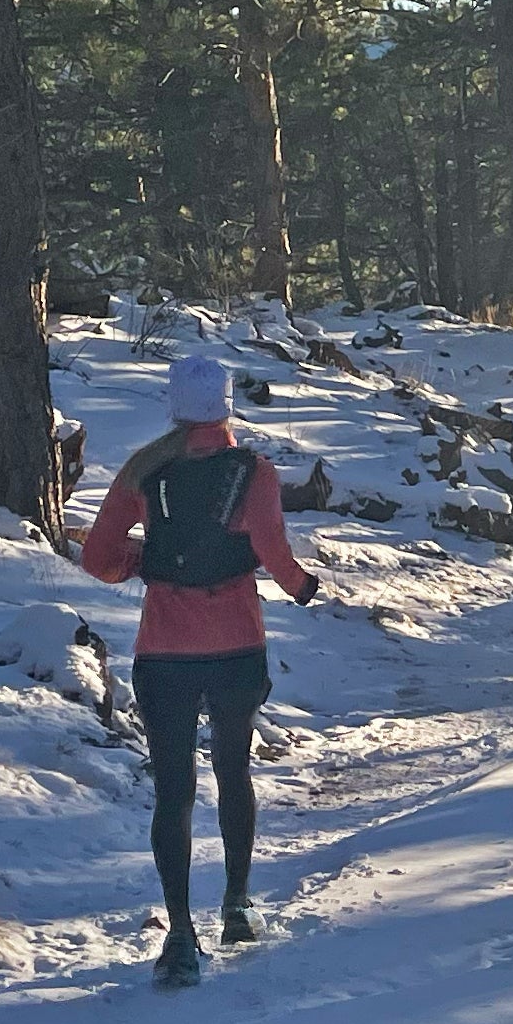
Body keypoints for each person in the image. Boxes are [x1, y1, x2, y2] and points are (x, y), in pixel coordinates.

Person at [83, 355, 318, 989]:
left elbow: (97, 555)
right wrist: (302, 587)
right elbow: (273, 552)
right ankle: (237, 906)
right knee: (234, 770)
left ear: (173, 405)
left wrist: (142, 561)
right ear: (226, 404)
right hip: (236, 644)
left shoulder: (144, 470)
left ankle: (181, 935)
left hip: (164, 650)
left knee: (173, 791)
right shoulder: (254, 472)